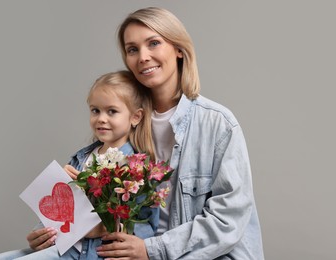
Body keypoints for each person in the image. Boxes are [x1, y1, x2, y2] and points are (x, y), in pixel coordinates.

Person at [92, 7, 264, 259]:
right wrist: (50, 227)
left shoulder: (218, 124)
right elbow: (100, 202)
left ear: (179, 50)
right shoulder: (126, 121)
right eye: (133, 49)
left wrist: (151, 250)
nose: (143, 57)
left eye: (154, 43)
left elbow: (228, 220)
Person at [0, 70, 158, 260]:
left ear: (135, 117)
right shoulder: (81, 159)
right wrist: (41, 233)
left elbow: (145, 227)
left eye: (112, 111)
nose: (101, 118)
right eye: (95, 110)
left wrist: (102, 227)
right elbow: (59, 212)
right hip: (63, 247)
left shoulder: (135, 169)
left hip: (91, 254)